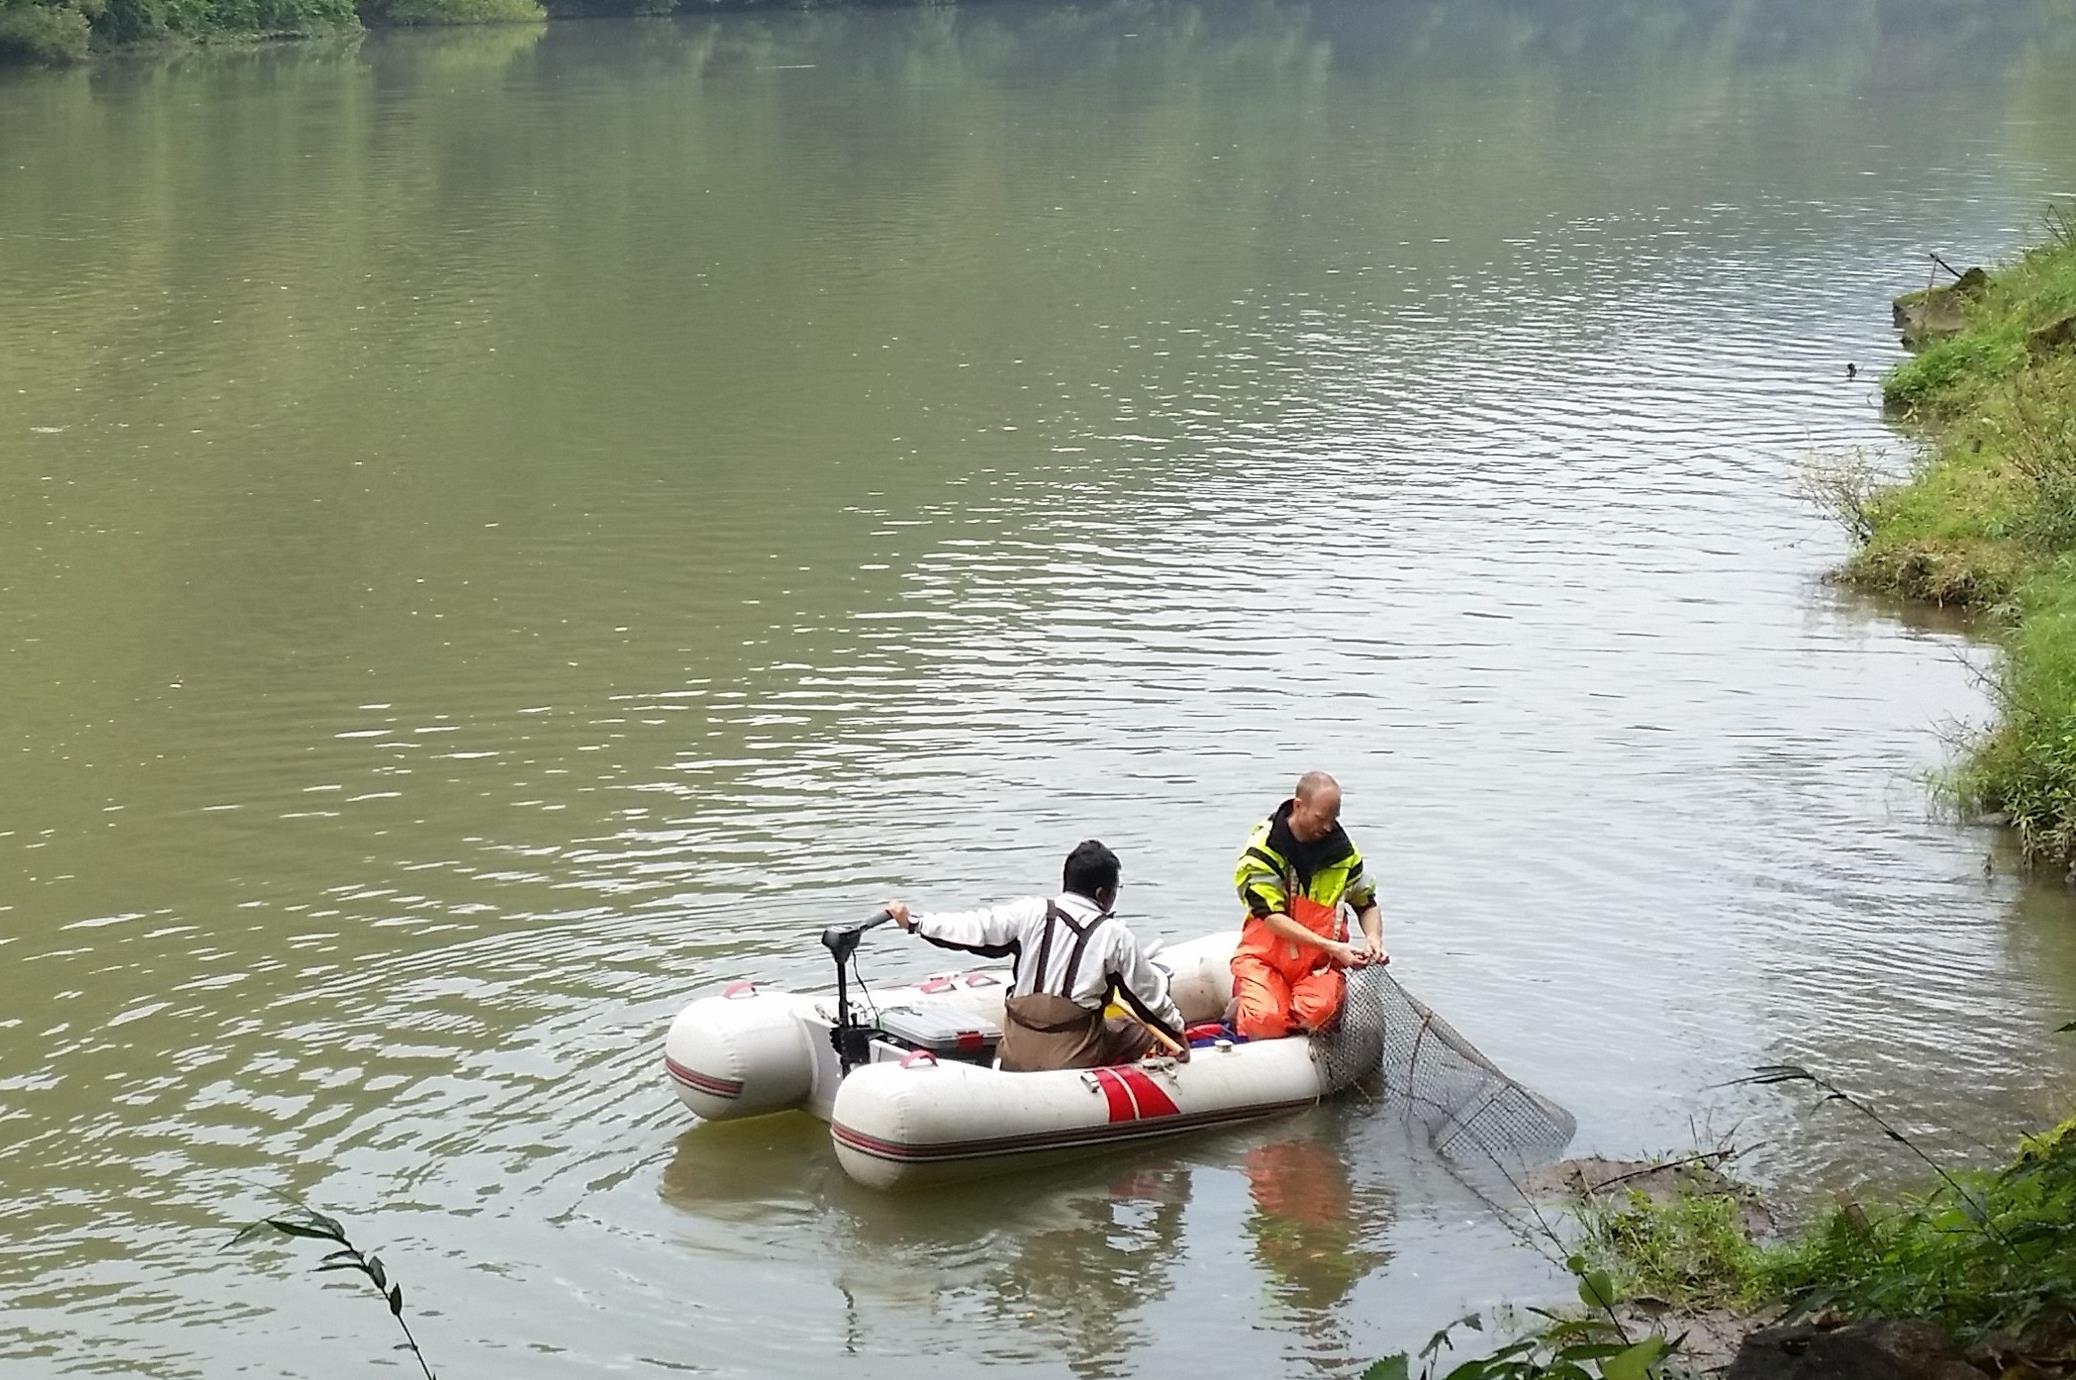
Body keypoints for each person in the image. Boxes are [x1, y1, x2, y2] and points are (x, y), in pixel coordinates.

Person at [883, 840, 1187, 1072]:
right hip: (1073, 1057)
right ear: (1101, 894)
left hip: (1016, 1050)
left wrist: (915, 923)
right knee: (1136, 1031)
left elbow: (970, 928)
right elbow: (1148, 998)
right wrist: (1176, 1032)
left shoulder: (1028, 913)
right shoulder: (1115, 935)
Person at [1230, 771, 1384, 1040]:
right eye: (1320, 818)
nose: (1327, 827)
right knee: (1265, 1021)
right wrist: (1332, 946)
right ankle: (1244, 1008)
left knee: (1319, 1014)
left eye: (1333, 819)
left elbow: (1366, 902)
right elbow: (1270, 916)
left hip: (1318, 967)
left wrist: (1374, 938)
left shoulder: (1343, 854)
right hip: (1266, 959)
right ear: (1299, 805)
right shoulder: (1263, 850)